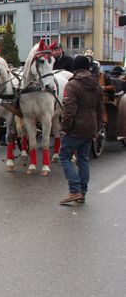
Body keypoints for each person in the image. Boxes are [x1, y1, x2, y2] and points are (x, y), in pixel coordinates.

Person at [59, 55, 104, 205]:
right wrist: (97, 128)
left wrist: (64, 127)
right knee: (83, 160)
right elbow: (100, 109)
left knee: (64, 157)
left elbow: (69, 110)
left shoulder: (72, 85)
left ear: (75, 68)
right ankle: (82, 192)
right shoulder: (97, 85)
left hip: (75, 128)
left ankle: (74, 190)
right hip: (90, 128)